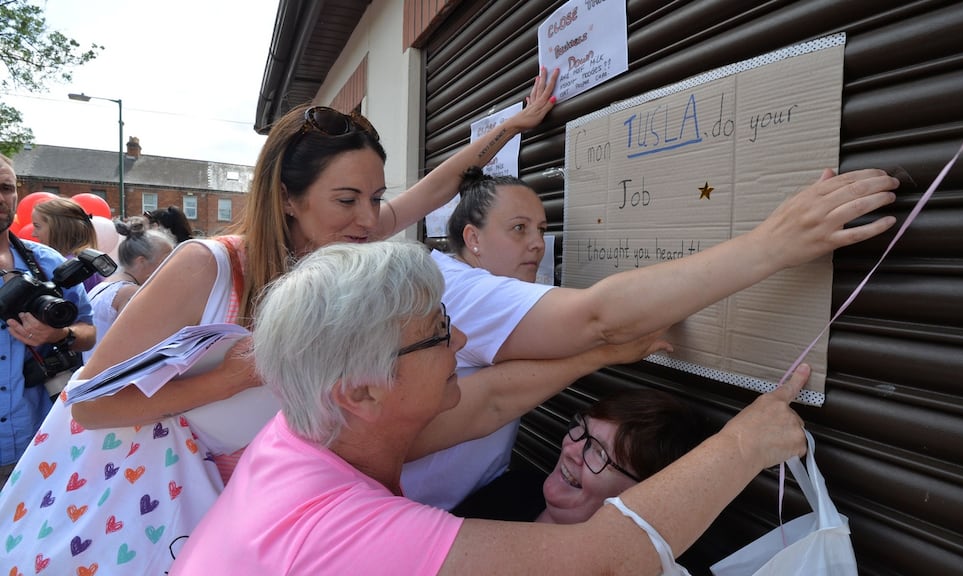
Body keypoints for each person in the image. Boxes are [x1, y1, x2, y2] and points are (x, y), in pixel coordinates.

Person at [0, 69, 560, 575]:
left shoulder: (337, 256)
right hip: (149, 517)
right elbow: (91, 403)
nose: (370, 220)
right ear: (288, 198)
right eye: (347, 199)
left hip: (259, 531)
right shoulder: (208, 268)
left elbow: (435, 188)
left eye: (376, 198)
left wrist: (513, 124)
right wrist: (241, 373)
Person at [169, 240, 809, 575]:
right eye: (438, 332)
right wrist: (745, 442)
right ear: (362, 390)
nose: (463, 342)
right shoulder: (348, 537)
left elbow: (489, 401)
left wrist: (597, 356)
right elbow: (607, 561)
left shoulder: (307, 428)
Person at [401, 165, 901, 510]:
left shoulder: (461, 286)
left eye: (541, 227)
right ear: (472, 239)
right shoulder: (464, 290)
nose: (537, 243)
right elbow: (598, 316)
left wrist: (604, 352)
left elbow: (491, 399)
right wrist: (773, 245)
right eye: (518, 228)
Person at [451, 389, 702, 524]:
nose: (571, 450)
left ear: (645, 492)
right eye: (581, 429)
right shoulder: (515, 489)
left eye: (600, 453)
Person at [0, 155, 95, 487]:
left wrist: (60, 333)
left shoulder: (46, 261)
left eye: (6, 188)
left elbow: (88, 331)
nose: (1, 197)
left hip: (38, 445)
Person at [82, 216, 176, 362]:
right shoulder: (130, 293)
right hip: (109, 378)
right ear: (141, 261)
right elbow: (136, 346)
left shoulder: (107, 283)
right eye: (165, 260)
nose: (170, 267)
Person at [31, 196, 102, 291]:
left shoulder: (69, 269)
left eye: (37, 226)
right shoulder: (84, 265)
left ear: (59, 229)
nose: (33, 234)